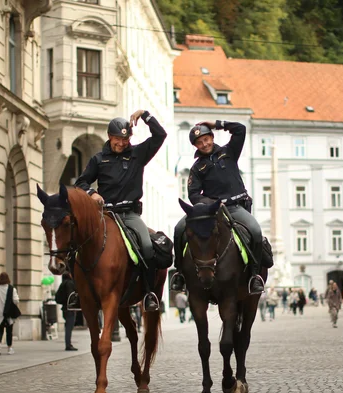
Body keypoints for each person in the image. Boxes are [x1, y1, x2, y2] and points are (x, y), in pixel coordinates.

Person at [75, 110, 167, 312]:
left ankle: (150, 293)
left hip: (130, 215)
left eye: (126, 139)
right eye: (118, 138)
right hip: (105, 215)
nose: (122, 143)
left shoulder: (138, 154)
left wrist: (145, 115)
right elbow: (80, 182)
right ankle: (77, 291)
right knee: (78, 245)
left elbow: (160, 135)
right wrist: (91, 193)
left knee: (147, 246)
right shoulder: (98, 160)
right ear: (110, 137)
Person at [170, 120, 265, 295]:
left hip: (236, 207)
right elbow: (193, 194)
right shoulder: (197, 168)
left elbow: (240, 129)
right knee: (179, 229)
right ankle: (180, 273)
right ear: (195, 146)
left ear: (212, 138)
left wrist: (217, 124)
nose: (204, 144)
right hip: (212, 211)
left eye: (206, 139)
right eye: (199, 142)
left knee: (255, 231)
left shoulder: (229, 152)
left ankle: (254, 275)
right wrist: (211, 203)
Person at [0, 272, 20, 356]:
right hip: (9, 314)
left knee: (0, 330)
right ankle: (9, 348)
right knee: (9, 331)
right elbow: (16, 300)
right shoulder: (12, 289)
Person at [55, 273, 78, 351]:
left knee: (68, 326)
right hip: (69, 308)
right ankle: (68, 345)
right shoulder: (70, 283)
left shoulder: (63, 283)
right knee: (69, 327)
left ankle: (68, 344)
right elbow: (71, 295)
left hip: (64, 308)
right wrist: (74, 304)